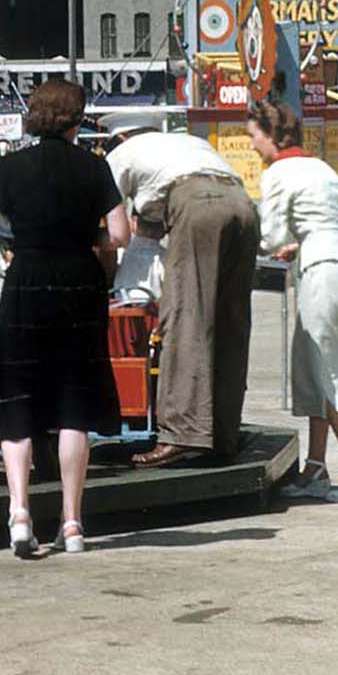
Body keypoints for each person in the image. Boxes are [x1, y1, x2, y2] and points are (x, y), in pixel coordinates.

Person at [0, 79, 129, 557]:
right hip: (79, 285)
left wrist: (18, 236)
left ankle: (19, 514)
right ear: (77, 118)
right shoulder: (94, 168)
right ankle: (72, 524)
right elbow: (120, 235)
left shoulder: (10, 167)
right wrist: (84, 235)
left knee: (17, 403)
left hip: (26, 282)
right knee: (74, 407)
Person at [102, 107, 259, 467]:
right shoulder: (186, 144)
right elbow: (154, 225)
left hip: (197, 206)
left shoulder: (123, 153)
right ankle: (222, 433)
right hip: (243, 207)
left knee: (187, 317)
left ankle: (181, 434)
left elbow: (110, 226)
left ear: (121, 137)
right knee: (230, 322)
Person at [247, 101, 338, 503]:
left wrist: (284, 243)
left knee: (325, 365)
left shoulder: (278, 173)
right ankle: (316, 466)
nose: (252, 146)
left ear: (271, 136)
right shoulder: (324, 169)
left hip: (320, 272)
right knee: (317, 362)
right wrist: (304, 240)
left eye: (254, 136)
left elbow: (268, 237)